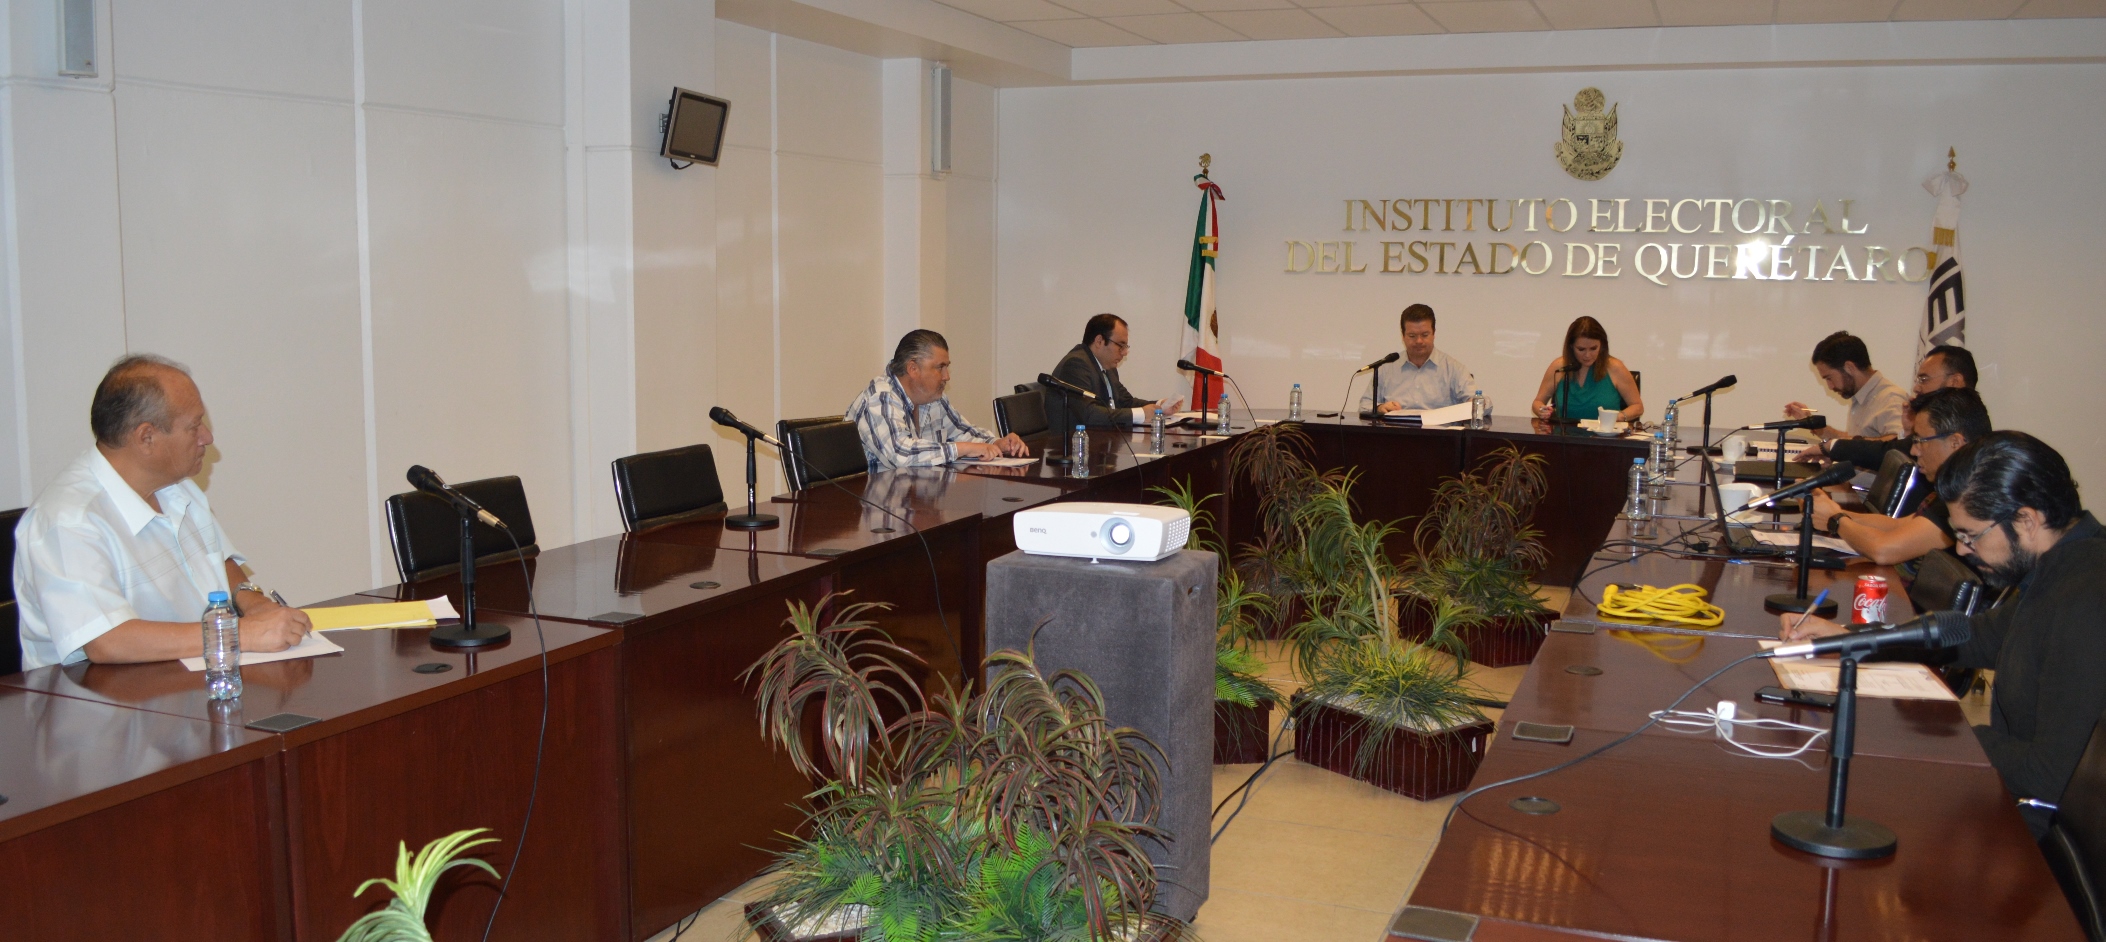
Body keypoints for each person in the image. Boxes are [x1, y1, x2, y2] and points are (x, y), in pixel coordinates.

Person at [1780, 431, 2106, 839]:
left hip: (2047, 838)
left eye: (1970, 535)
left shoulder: (2089, 600)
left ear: (2026, 520)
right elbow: (1978, 637)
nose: (1963, 550)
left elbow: (2053, 775)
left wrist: (1945, 740)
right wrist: (1852, 638)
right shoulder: (2061, 567)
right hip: (2015, 801)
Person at [14, 355, 312, 669]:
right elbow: (107, 641)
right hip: (95, 692)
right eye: (194, 426)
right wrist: (240, 633)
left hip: (187, 675)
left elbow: (217, 559)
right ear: (146, 437)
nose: (207, 438)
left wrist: (254, 603)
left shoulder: (175, 487)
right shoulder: (69, 521)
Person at [1809, 388, 1989, 564]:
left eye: (1920, 441)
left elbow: (1884, 550)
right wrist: (1832, 512)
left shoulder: (1971, 494)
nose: (1913, 451)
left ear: (1955, 442)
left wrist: (1835, 520)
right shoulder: (1959, 481)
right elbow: (1898, 526)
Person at [848, 329, 1027, 470]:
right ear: (913, 368)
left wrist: (996, 443)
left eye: (946, 367)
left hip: (916, 497)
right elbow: (901, 455)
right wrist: (963, 448)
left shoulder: (932, 397)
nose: (946, 376)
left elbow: (962, 432)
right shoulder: (880, 398)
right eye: (940, 368)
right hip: (872, 502)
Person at [1822, 344, 1979, 466]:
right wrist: (1909, 432)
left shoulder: (1959, 424)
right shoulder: (1953, 416)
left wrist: (1833, 446)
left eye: (1924, 379)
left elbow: (1890, 453)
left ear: (1955, 382)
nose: (1916, 388)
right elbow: (1903, 451)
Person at [1045, 314, 1181, 431]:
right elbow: (1090, 414)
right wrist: (1142, 413)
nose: (1125, 352)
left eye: (1125, 346)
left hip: (1101, 441)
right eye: (1121, 345)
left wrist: (1160, 407)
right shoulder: (1076, 364)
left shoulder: (1107, 366)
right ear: (1099, 341)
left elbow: (1126, 402)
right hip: (1074, 447)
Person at [1784, 331, 1909, 442]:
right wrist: (1813, 425)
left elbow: (1898, 444)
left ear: (1849, 367)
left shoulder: (1891, 399)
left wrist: (1840, 449)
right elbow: (1856, 443)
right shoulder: (1861, 397)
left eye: (1829, 378)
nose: (1830, 386)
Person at [1361, 304, 1475, 414]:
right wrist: (1380, 407)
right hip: (1396, 427)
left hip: (1438, 427)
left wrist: (1474, 405)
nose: (1419, 341)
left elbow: (1477, 402)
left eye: (1425, 335)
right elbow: (1364, 405)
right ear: (1403, 336)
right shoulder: (1386, 368)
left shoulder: (1453, 368)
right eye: (1412, 336)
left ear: (1434, 334)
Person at [1530, 316, 1642, 423]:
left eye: (1593, 348)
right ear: (1571, 346)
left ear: (1602, 345)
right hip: (1564, 434)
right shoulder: (1559, 367)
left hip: (1604, 435)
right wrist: (1541, 410)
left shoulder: (1615, 367)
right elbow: (1537, 402)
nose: (1587, 355)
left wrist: (1620, 416)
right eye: (1581, 349)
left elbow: (1638, 406)